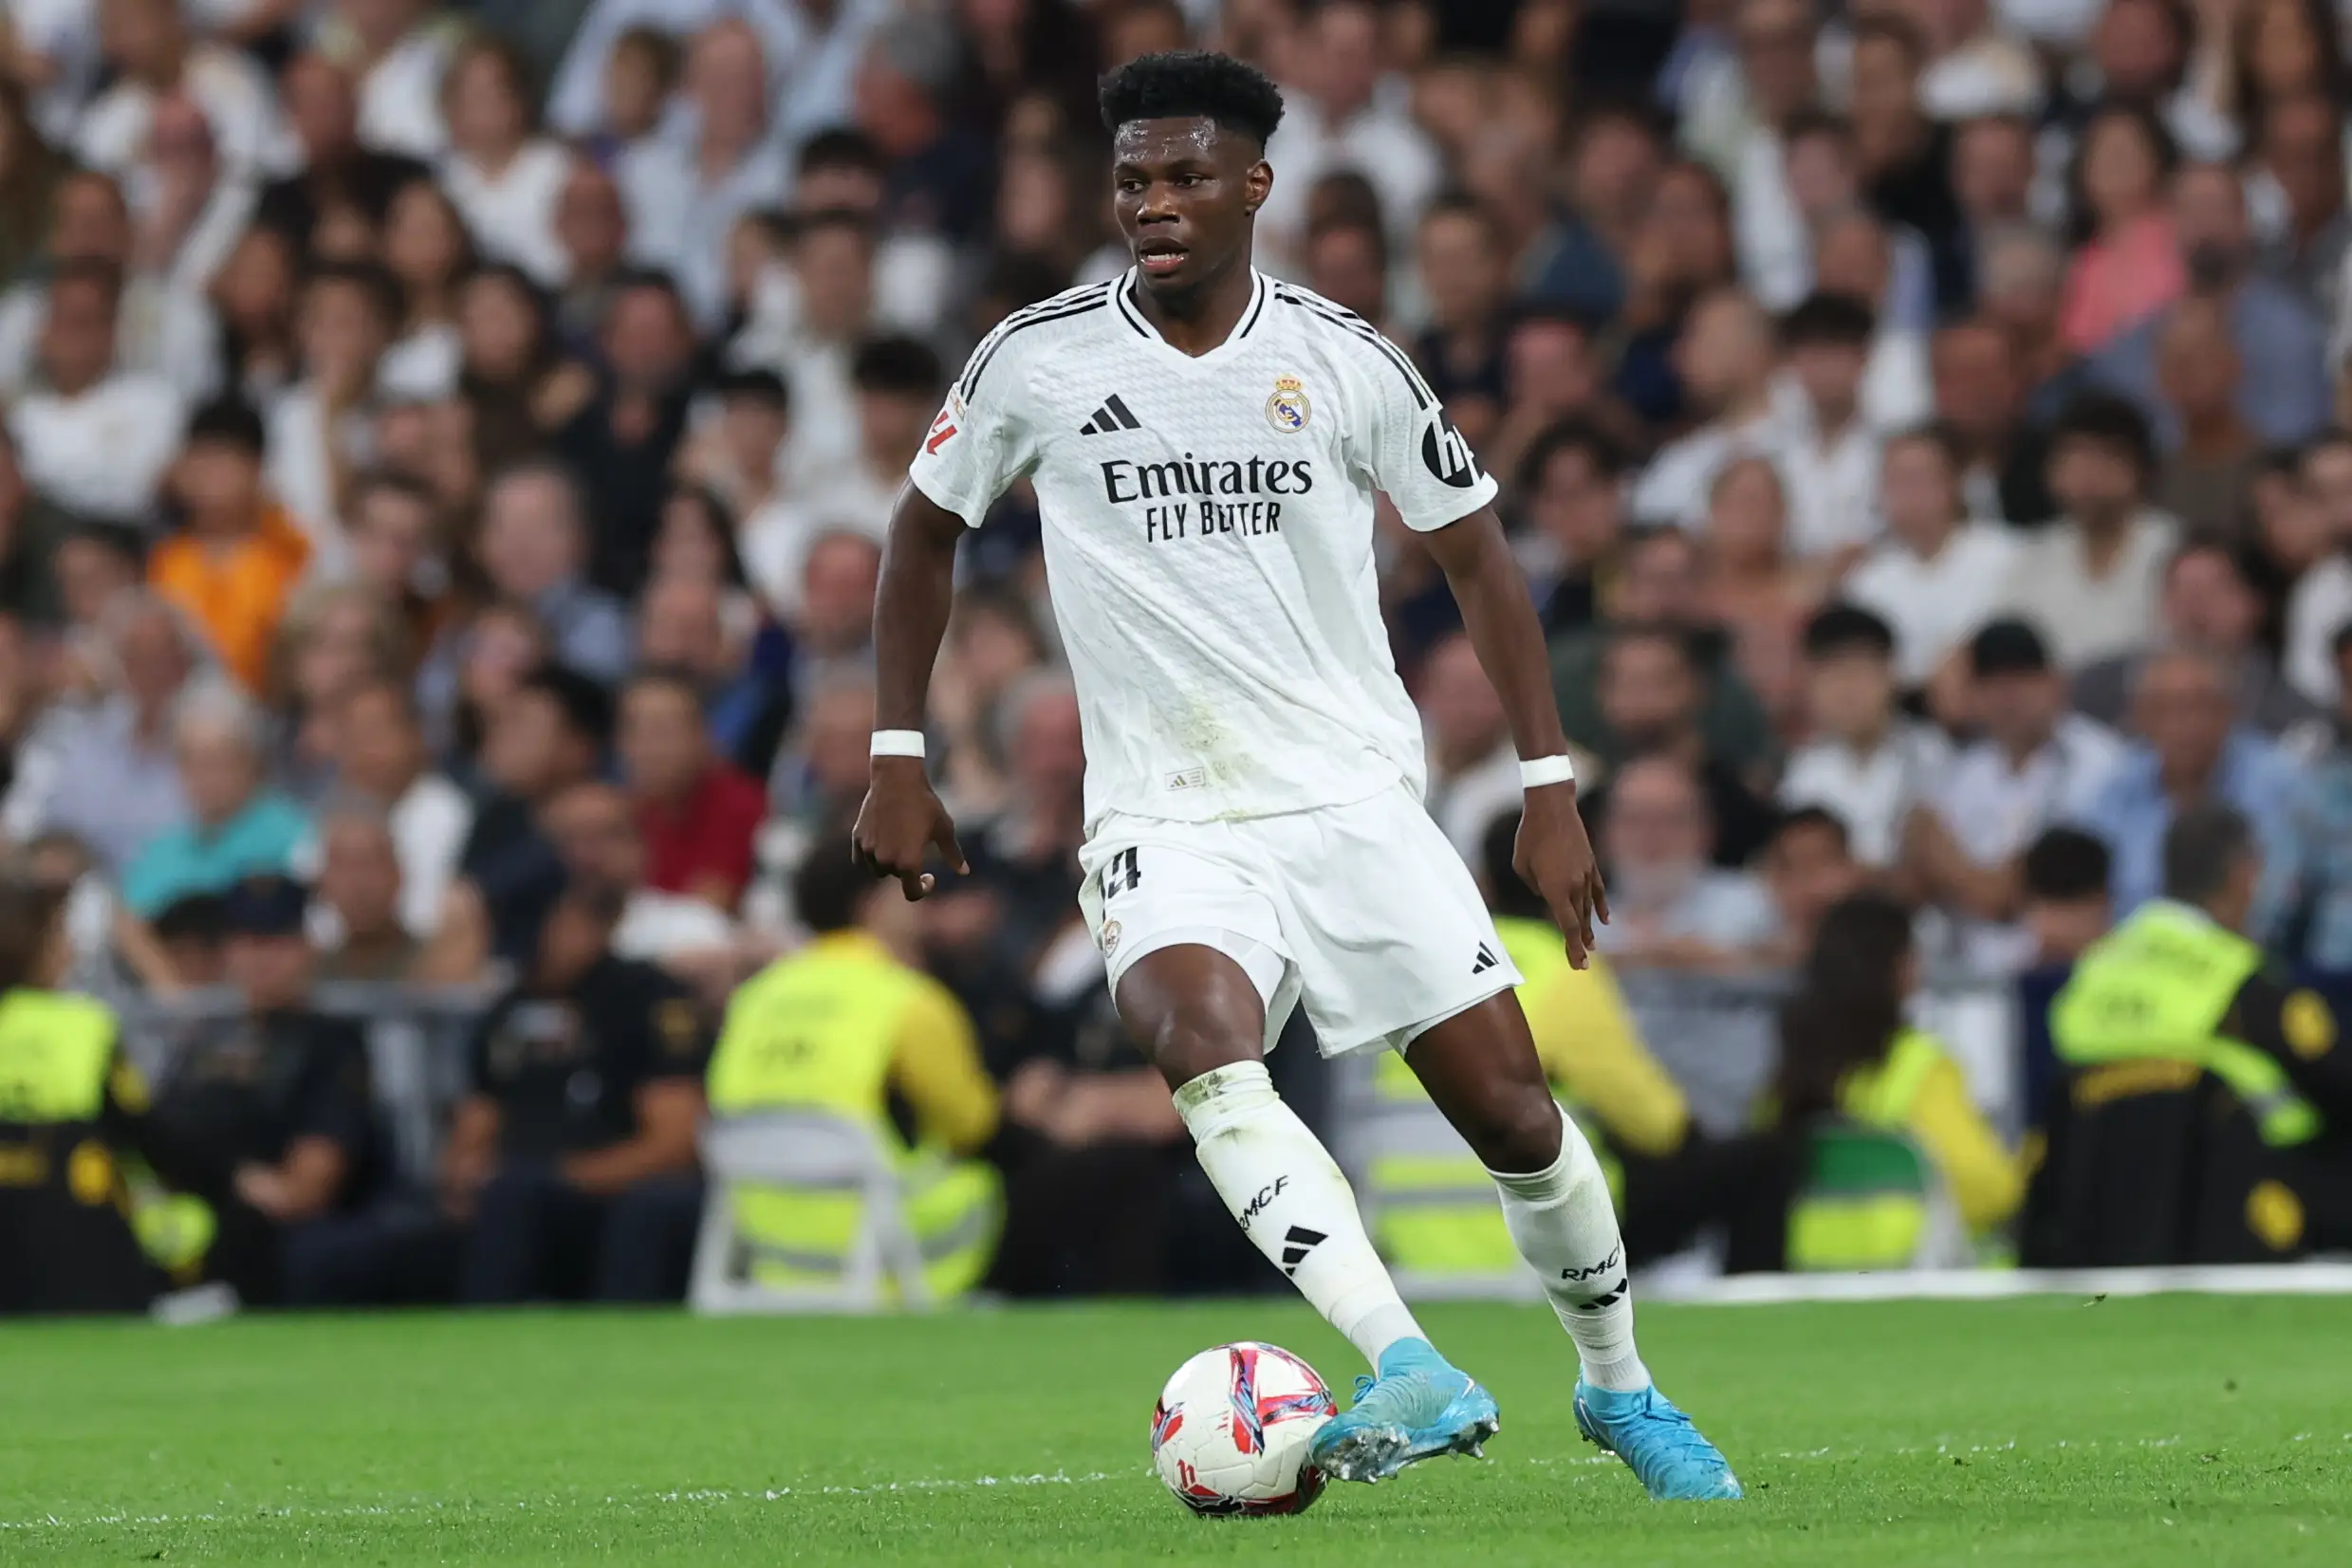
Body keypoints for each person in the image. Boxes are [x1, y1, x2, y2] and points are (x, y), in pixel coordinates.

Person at [854, 52, 1739, 1498]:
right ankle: (1404, 1358)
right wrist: (898, 756)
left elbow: (1476, 555)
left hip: (1350, 801)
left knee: (1517, 1120)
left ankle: (1617, 1387)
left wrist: (1548, 785)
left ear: (1253, 185)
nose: (1156, 203)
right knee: (1196, 1042)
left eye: (1187, 176)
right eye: (1133, 179)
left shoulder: (1343, 359)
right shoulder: (1040, 356)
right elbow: (918, 530)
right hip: (1164, 815)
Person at [1367, 812, 1791, 1280]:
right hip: (1541, 1236)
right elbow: (1659, 1125)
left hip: (1411, 1239)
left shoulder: (1418, 966)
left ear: (1480, 883)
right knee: (1763, 1163)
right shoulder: (1558, 969)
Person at [2041, 806, 2352, 1254]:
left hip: (2095, 1213)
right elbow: (2333, 1072)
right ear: (2244, 875)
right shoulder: (2238, 979)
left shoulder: (2092, 971)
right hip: (2234, 1210)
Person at [706, 843, 1002, 1301]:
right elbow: (974, 1125)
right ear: (872, 906)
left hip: (772, 1248)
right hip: (895, 1252)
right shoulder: (906, 998)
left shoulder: (755, 996)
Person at [442, 879, 708, 1302]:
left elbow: (675, 1143)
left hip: (613, 1184)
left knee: (639, 1212)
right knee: (496, 1202)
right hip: (521, 1188)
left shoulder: (645, 997)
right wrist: (465, 1175)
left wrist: (566, 1175)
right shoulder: (505, 1011)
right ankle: (485, 1341)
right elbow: (475, 1127)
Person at [144, 875, 374, 1304]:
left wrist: (231, 1181)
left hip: (265, 1230)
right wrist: (231, 1176)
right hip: (190, 1212)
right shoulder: (203, 1039)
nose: (260, 959)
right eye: (247, 941)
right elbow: (156, 1138)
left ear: (306, 947)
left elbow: (303, 1190)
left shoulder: (330, 1042)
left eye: (276, 942)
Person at [0, 878, 223, 1314]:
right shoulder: (80, 1028)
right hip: (72, 1240)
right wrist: (220, 1179)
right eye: (60, 933)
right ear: (31, 944)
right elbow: (144, 1131)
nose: (72, 947)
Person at [1771, 894, 2023, 1267]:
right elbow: (1987, 1189)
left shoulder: (1790, 1072)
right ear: (1902, 969)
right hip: (1925, 1284)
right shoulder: (1919, 1066)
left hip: (1810, 1279)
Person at [1778, 604, 1949, 869]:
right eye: (1831, 676)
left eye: (1858, 673)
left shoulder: (1933, 755)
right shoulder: (1803, 772)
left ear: (1892, 674)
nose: (1846, 692)